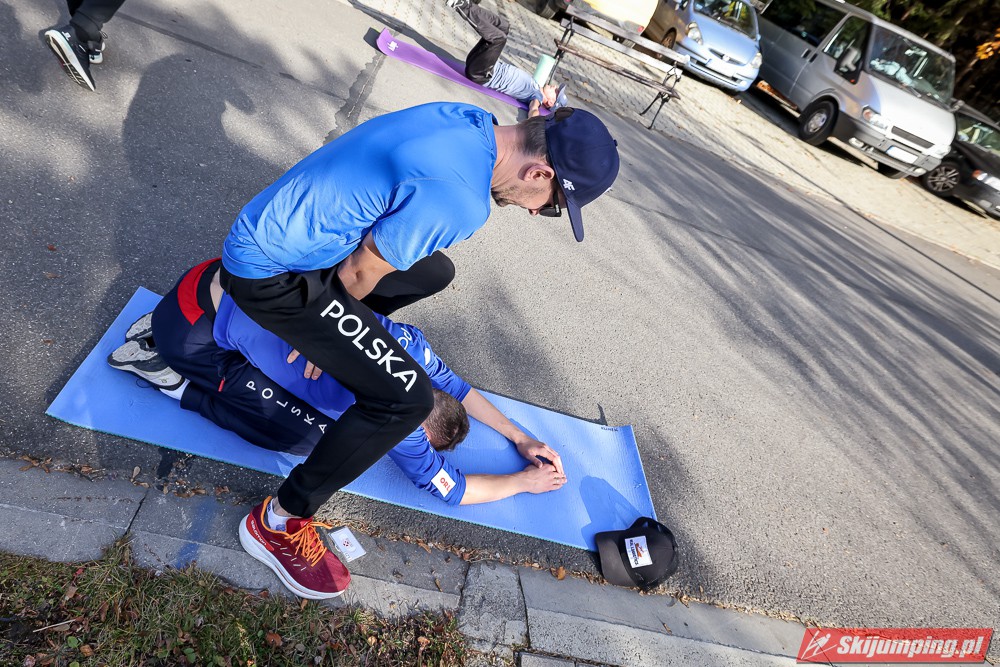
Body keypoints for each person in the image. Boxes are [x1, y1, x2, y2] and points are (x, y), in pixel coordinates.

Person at [216, 100, 619, 599]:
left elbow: (455, 385)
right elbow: (359, 272)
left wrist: (519, 437)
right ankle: (278, 522)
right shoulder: (462, 201)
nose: (537, 211)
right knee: (405, 400)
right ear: (539, 172)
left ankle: (325, 336)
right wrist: (320, 337)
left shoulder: (468, 120)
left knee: (434, 270)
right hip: (267, 272)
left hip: (275, 226)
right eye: (551, 204)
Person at [448, 0, 569, 116]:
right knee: (504, 26)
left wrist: (536, 124)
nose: (555, 87)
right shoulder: (536, 85)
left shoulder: (536, 96)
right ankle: (467, 4)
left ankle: (459, 5)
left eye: (556, 92)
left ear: (550, 103)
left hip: (481, 74)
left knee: (499, 38)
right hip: (483, 65)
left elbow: (533, 110)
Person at [44, 0, 126, 91]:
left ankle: (88, 32)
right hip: (82, 28)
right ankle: (82, 31)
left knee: (85, 22)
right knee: (85, 25)